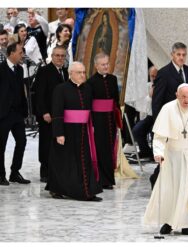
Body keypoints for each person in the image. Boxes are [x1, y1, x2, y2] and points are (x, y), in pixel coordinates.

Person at [144, 84, 188, 236]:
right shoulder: (168, 109)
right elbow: (159, 137)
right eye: (183, 96)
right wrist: (158, 153)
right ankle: (169, 222)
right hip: (174, 157)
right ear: (176, 94)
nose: (186, 100)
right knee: (173, 190)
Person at [45, 62, 103, 201]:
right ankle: (57, 189)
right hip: (66, 130)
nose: (83, 75)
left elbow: (89, 110)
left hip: (83, 130)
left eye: (84, 72)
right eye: (79, 73)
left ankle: (86, 190)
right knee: (64, 162)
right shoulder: (61, 89)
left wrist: (92, 125)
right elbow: (57, 112)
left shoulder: (87, 88)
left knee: (83, 160)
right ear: (71, 73)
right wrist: (59, 133)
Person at [150, 42, 188, 188]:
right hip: (169, 120)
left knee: (182, 151)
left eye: (184, 55)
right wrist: (159, 124)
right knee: (167, 152)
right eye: (178, 55)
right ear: (172, 55)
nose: (181, 58)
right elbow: (157, 101)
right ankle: (156, 179)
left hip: (185, 121)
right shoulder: (164, 73)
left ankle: (179, 183)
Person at [86, 53, 122, 190]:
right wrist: (92, 123)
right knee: (101, 149)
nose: (106, 66)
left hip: (110, 119)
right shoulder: (91, 82)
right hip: (98, 120)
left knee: (110, 149)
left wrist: (118, 117)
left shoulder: (113, 79)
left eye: (107, 63)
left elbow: (116, 100)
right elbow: (90, 103)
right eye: (103, 64)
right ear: (96, 66)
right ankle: (100, 179)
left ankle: (109, 179)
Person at [34, 46, 68, 183]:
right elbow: (39, 94)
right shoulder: (44, 71)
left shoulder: (66, 72)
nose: (60, 58)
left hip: (62, 115)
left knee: (59, 143)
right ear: (52, 56)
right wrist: (43, 112)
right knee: (46, 143)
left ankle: (58, 170)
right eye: (57, 55)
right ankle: (45, 171)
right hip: (48, 115)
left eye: (62, 56)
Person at [0, 42, 30, 186]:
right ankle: (0, 175)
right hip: (3, 114)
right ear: (11, 53)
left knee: (22, 141)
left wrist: (25, 111)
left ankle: (15, 172)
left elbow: (21, 91)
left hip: (17, 114)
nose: (22, 55)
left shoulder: (20, 70)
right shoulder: (1, 69)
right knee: (1, 145)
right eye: (20, 52)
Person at [130, 66, 158, 162]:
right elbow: (143, 102)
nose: (154, 79)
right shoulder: (147, 86)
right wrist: (150, 96)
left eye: (155, 76)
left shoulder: (163, 85)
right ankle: (145, 151)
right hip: (148, 114)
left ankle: (155, 153)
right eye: (152, 76)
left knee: (154, 133)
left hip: (158, 115)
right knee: (137, 130)